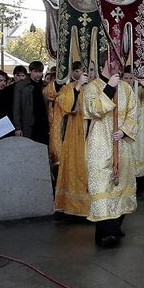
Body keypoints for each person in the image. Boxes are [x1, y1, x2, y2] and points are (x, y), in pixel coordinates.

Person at [82, 62, 139, 248]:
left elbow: (134, 113)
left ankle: (115, 225)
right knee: (102, 185)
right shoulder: (92, 87)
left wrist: (124, 130)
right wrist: (109, 88)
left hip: (121, 144)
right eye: (113, 61)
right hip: (100, 143)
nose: (117, 65)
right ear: (105, 63)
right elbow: (93, 110)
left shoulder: (126, 88)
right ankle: (105, 232)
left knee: (121, 184)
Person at [54, 62, 90, 217]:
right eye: (80, 71)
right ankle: (75, 206)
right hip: (76, 132)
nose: (84, 74)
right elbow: (68, 107)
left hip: (95, 132)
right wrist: (78, 87)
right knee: (77, 164)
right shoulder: (68, 88)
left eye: (88, 70)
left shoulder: (98, 88)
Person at [122, 66, 144, 194]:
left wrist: (143, 83)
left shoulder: (139, 89)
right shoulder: (119, 90)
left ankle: (141, 182)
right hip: (125, 126)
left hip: (139, 127)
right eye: (126, 78)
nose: (128, 80)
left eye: (131, 78)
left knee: (140, 152)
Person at [12, 61, 50, 147]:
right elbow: (16, 108)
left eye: (40, 72)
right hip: (27, 124)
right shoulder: (21, 86)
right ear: (30, 71)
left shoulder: (46, 86)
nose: (38, 74)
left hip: (43, 123)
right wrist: (17, 128)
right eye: (35, 72)